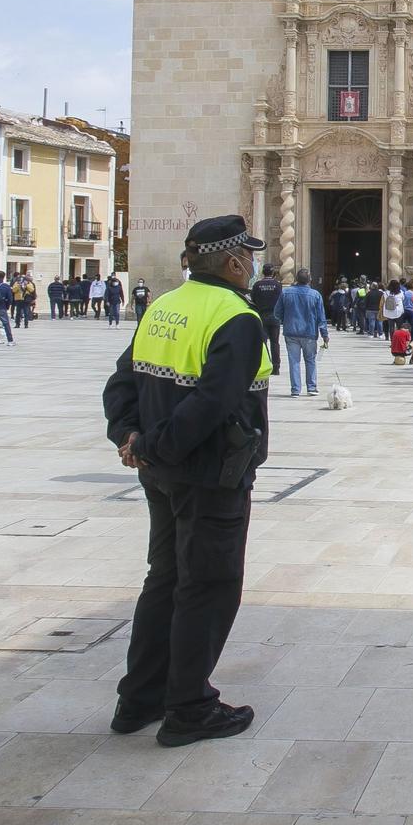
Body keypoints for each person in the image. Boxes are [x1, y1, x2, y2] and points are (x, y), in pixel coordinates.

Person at [103, 214, 271, 748]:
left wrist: (129, 435)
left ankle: (140, 699)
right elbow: (213, 404)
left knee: (166, 579)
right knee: (209, 586)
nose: (252, 265)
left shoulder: (162, 306)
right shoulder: (235, 317)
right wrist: (151, 444)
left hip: (159, 473)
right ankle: (190, 707)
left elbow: (121, 381)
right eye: (248, 255)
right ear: (233, 261)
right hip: (210, 475)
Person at [274, 268, 327, 396]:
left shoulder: (286, 293)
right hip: (309, 333)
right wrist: (325, 334)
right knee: (310, 360)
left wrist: (286, 320)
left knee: (294, 362)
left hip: (291, 332)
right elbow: (321, 317)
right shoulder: (315, 295)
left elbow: (277, 313)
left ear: (296, 279)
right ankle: (311, 387)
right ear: (309, 280)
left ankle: (295, 389)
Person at [249, 267, 284, 378]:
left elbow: (252, 300)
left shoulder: (257, 285)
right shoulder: (278, 285)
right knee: (275, 343)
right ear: (273, 273)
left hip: (262, 316)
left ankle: (264, 364)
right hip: (275, 317)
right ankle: (276, 367)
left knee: (263, 343)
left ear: (263, 272)